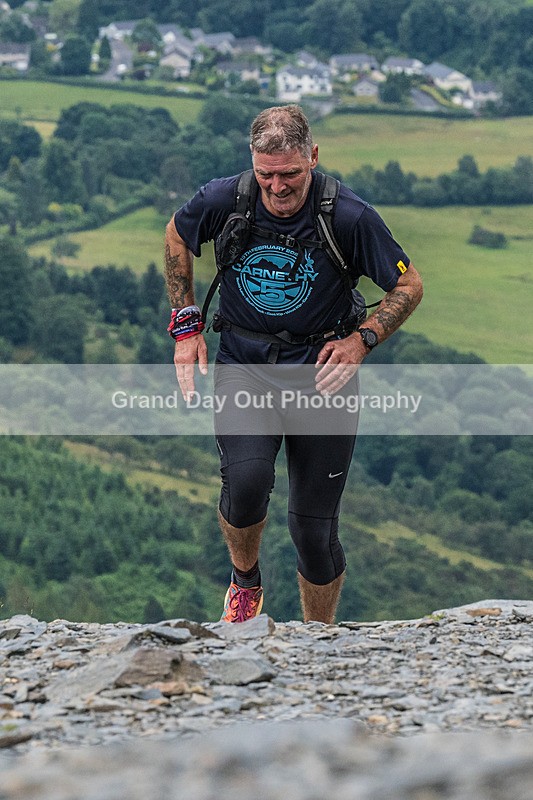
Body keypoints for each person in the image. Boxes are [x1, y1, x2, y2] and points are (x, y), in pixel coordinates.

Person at [164, 105, 423, 624]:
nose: (277, 188)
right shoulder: (226, 199)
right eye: (266, 175)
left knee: (313, 530)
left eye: (290, 174)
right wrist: (186, 324)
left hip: (322, 375)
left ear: (313, 157)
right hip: (244, 364)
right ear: (252, 164)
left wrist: (362, 340)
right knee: (245, 486)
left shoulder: (348, 216)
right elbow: (177, 235)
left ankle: (317, 642)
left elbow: (408, 285)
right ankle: (245, 581)